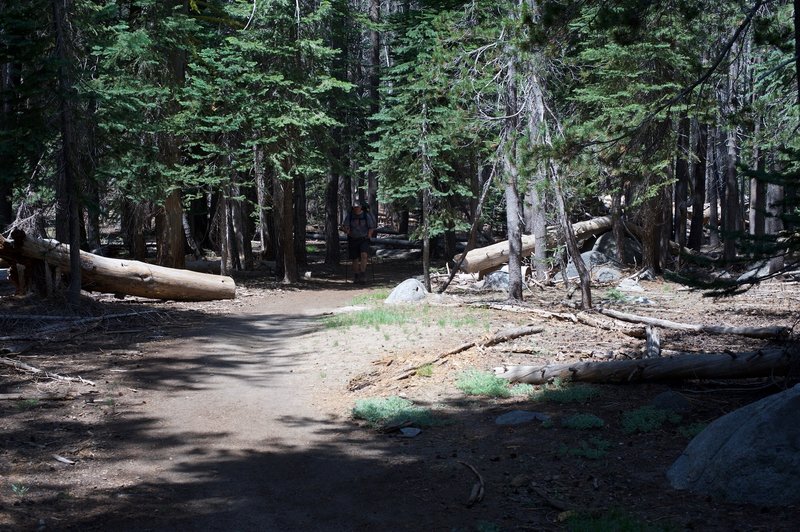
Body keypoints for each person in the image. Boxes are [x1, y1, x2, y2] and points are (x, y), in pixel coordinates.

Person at [342, 202, 376, 284]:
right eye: (355, 207)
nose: (356, 208)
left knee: (364, 255)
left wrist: (369, 235)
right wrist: (346, 230)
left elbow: (371, 227)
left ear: (361, 207)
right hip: (353, 239)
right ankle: (356, 275)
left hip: (364, 239)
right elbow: (346, 227)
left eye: (357, 207)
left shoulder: (366, 215)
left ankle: (363, 274)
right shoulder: (349, 216)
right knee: (355, 259)